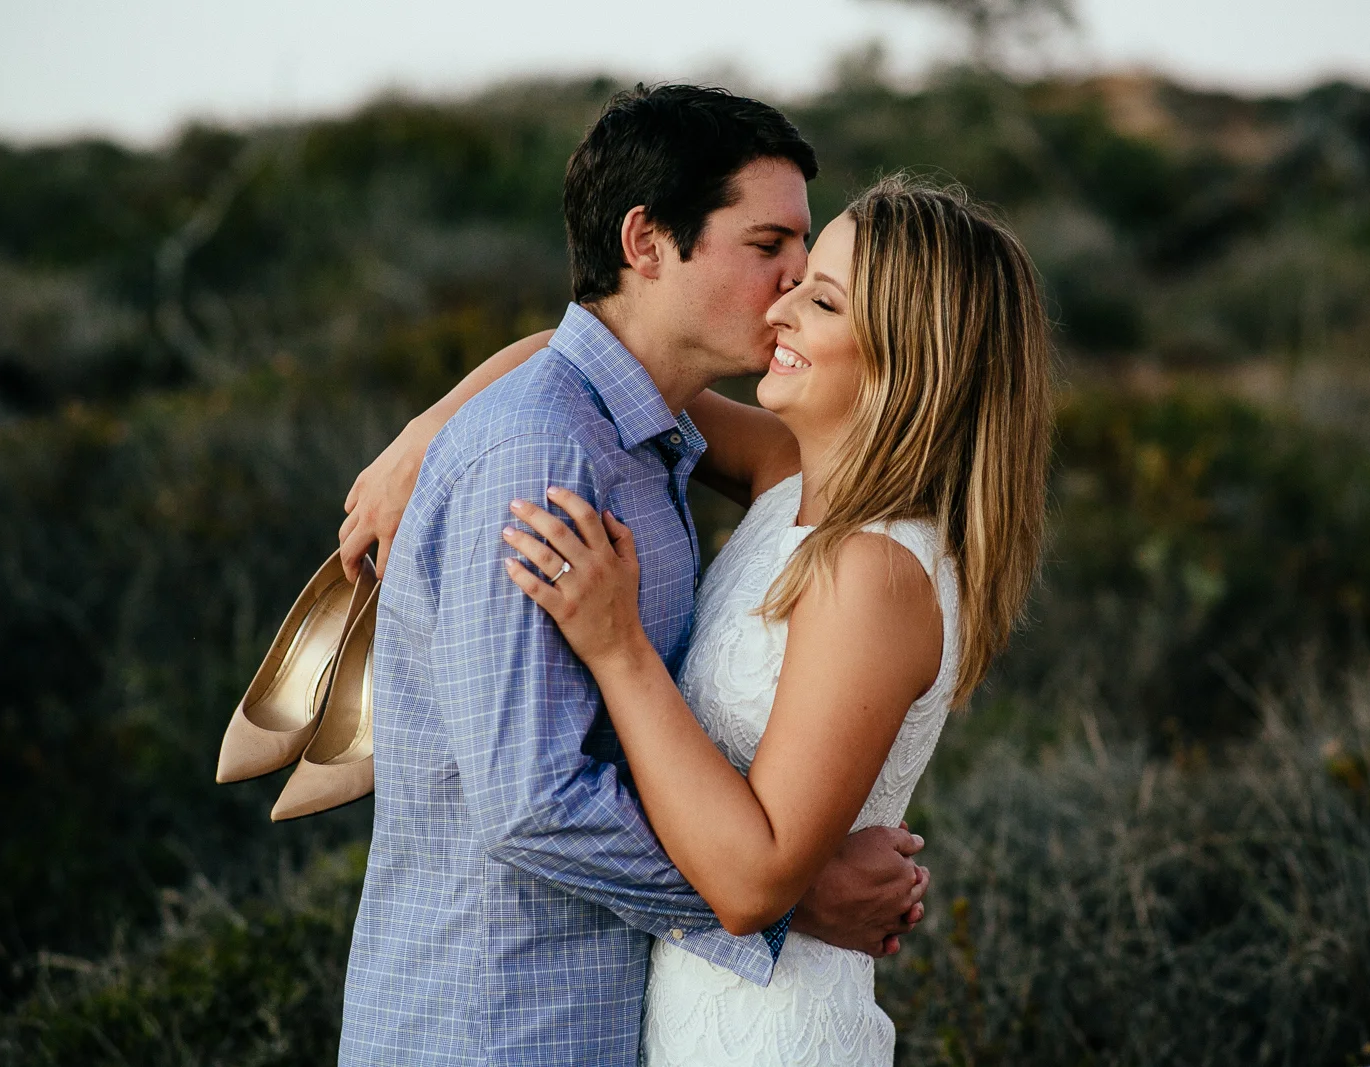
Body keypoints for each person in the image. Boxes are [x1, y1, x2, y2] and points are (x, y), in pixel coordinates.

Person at [351, 174, 1054, 1063]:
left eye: (822, 300)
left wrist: (618, 648)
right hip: (688, 1006)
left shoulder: (875, 570)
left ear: (908, 359)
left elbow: (754, 880)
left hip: (767, 1031)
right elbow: (590, 362)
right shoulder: (790, 477)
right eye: (796, 277)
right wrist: (425, 436)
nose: (780, 308)